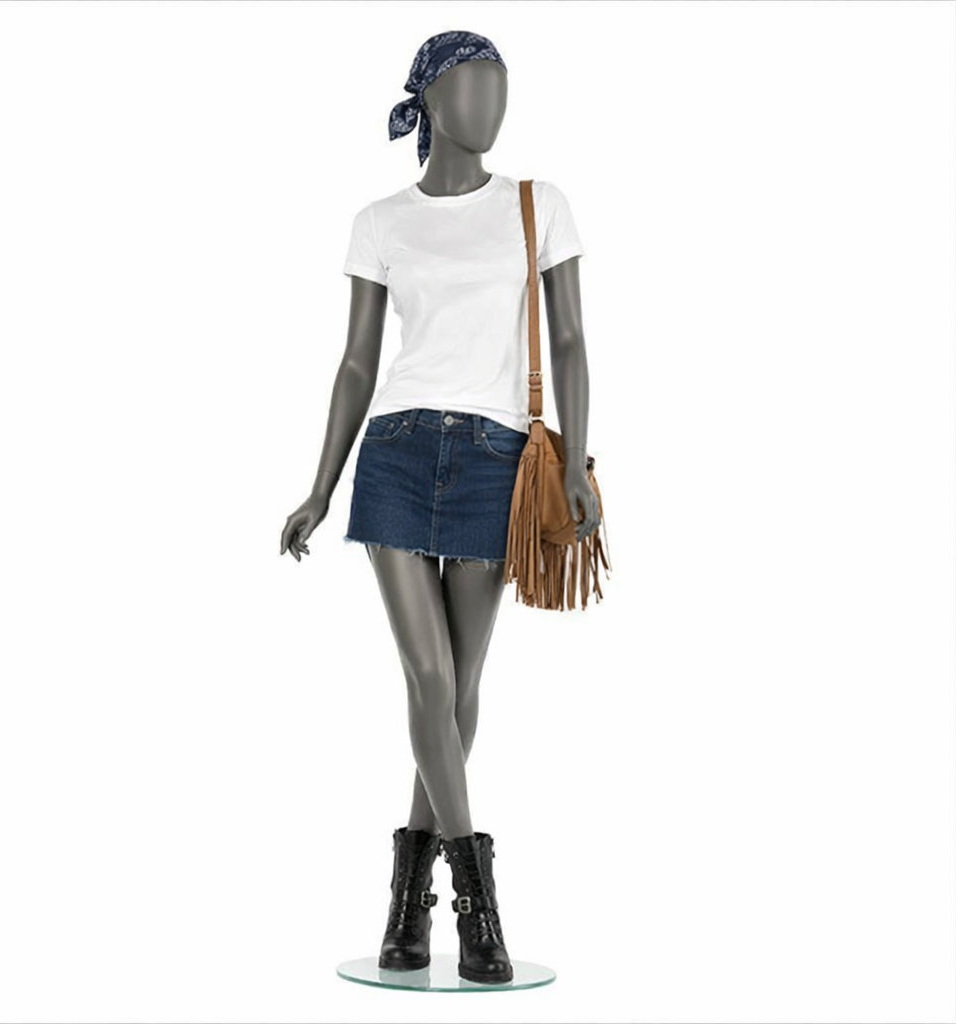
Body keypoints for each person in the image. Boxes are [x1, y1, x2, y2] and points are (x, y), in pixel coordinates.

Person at [280, 30, 598, 985]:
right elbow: (355, 362)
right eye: (472, 85)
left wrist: (577, 467)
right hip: (396, 454)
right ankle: (478, 906)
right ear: (430, 100)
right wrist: (321, 485)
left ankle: (405, 902)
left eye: (501, 86)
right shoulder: (380, 220)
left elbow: (570, 342)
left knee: (458, 691)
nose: (490, 104)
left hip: (498, 461)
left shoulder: (539, 204)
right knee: (427, 676)